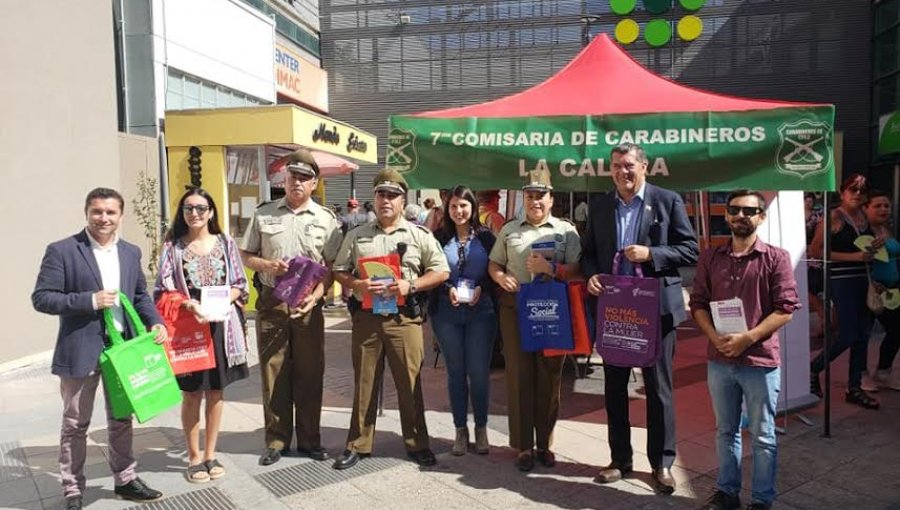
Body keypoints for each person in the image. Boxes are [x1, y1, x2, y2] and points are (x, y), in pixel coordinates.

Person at [32, 187, 168, 510]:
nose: (103, 218)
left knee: (122, 418)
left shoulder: (131, 252)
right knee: (75, 423)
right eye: (97, 211)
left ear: (121, 216)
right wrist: (89, 300)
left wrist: (155, 321)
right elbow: (42, 297)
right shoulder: (63, 250)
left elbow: (138, 296)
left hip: (123, 349)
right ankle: (72, 489)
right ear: (86, 212)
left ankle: (125, 479)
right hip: (81, 350)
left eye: (110, 212)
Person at [582, 143, 698, 494]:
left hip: (656, 309)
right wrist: (591, 276)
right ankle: (620, 460)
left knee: (658, 389)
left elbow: (690, 249)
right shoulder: (601, 206)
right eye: (616, 166)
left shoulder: (667, 200)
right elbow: (589, 254)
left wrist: (652, 253)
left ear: (645, 167)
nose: (622, 172)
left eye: (629, 165)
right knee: (614, 386)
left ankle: (661, 463)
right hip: (617, 310)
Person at [331, 168, 450, 470]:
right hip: (367, 319)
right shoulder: (358, 236)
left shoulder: (418, 235)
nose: (386, 200)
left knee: (409, 383)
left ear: (402, 201)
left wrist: (412, 285)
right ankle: (358, 443)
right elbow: (339, 270)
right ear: (374, 199)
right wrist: (355, 284)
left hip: (403, 319)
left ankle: (417, 443)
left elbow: (441, 271)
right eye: (382, 194)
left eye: (393, 195)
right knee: (364, 383)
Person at [690, 190, 800, 510]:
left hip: (759, 361)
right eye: (735, 210)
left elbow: (786, 309)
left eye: (749, 211)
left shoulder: (776, 258)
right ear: (726, 215)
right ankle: (727, 493)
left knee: (764, 436)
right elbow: (697, 303)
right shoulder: (710, 257)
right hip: (720, 359)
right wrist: (713, 337)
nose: (741, 216)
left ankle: (762, 500)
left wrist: (747, 338)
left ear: (761, 217)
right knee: (725, 431)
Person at [240, 148, 343, 465]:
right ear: (284, 179)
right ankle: (276, 439)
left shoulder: (326, 220)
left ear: (314, 183)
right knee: (274, 371)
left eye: (305, 178)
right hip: (273, 301)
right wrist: (268, 265)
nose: (297, 182)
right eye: (293, 176)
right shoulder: (264, 213)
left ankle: (311, 439)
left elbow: (333, 267)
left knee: (310, 373)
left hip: (308, 304)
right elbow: (245, 256)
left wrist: (317, 295)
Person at [487, 169, 581, 472]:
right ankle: (524, 446)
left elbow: (578, 270)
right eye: (530, 196)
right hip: (516, 306)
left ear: (551, 199)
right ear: (524, 199)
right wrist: (501, 278)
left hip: (553, 306)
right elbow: (494, 263)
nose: (535, 201)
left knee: (550, 376)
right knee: (519, 375)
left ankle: (545, 444)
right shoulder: (510, 229)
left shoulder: (566, 231)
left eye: (541, 195)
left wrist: (551, 269)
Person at [154, 188, 250, 483]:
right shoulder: (172, 247)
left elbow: (239, 282)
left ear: (211, 211)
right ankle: (194, 456)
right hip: (189, 326)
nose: (194, 213)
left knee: (217, 391)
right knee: (193, 392)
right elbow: (162, 288)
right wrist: (187, 303)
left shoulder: (225, 242)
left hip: (221, 326)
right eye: (188, 208)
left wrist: (224, 299)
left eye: (200, 208)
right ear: (182, 213)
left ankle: (211, 454)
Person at [430, 185, 498, 456]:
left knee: (479, 373)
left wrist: (483, 287)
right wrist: (447, 287)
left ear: (473, 208)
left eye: (464, 206)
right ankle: (460, 429)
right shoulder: (437, 237)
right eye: (454, 206)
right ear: (448, 208)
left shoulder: (486, 238)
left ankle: (481, 428)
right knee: (455, 373)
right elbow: (430, 270)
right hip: (446, 313)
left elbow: (497, 271)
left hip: (481, 312)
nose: (459, 211)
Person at [808, 174, 880, 409]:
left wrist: (872, 255)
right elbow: (816, 251)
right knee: (848, 334)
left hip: (863, 279)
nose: (857, 194)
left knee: (863, 336)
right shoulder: (832, 218)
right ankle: (814, 367)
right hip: (842, 280)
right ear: (842, 192)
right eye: (853, 189)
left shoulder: (864, 218)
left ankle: (854, 387)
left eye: (862, 190)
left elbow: (866, 251)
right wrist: (854, 257)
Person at [862, 189, 900, 391]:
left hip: (892, 290)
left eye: (887, 205)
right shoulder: (863, 232)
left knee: (897, 330)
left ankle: (884, 372)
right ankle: (860, 375)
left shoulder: (888, 230)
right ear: (865, 208)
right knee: (863, 334)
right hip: (870, 290)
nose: (884, 209)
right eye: (878, 205)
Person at [805, 193, 827, 342]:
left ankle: (824, 318)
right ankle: (824, 318)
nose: (809, 202)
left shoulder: (817, 216)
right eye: (807, 199)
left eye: (811, 200)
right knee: (807, 289)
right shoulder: (793, 214)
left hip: (813, 256)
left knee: (811, 287)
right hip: (801, 254)